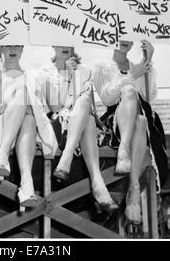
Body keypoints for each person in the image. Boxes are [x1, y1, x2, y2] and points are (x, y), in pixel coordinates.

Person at [92, 40, 168, 225]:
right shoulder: (101, 66)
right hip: (116, 119)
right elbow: (108, 98)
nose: (125, 40)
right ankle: (132, 193)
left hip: (142, 120)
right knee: (128, 91)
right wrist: (131, 76)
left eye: (128, 35)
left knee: (141, 120)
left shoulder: (139, 66)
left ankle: (133, 188)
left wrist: (148, 61)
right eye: (120, 34)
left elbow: (149, 97)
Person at [38, 46, 118, 213]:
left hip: (82, 126)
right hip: (58, 125)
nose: (65, 46)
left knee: (86, 109)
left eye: (68, 42)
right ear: (53, 46)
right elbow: (55, 106)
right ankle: (98, 184)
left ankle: (69, 161)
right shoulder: (45, 72)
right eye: (60, 43)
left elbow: (89, 105)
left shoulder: (85, 70)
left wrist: (75, 74)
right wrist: (68, 76)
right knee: (85, 112)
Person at [0, 45, 57, 207]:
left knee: (27, 112)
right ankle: (26, 185)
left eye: (16, 46)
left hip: (28, 132)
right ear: (1, 49)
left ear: (22, 49)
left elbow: (39, 108)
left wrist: (12, 102)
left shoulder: (33, 76)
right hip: (1, 128)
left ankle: (7, 158)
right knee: (25, 103)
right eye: (8, 46)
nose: (12, 50)